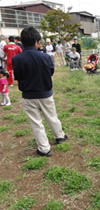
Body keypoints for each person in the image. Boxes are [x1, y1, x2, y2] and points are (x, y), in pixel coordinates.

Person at [12, 27, 68, 157]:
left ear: (22, 42)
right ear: (37, 42)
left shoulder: (17, 59)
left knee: (36, 123)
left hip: (28, 96)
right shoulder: (45, 57)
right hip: (45, 93)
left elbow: (18, 77)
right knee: (52, 116)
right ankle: (59, 136)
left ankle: (44, 149)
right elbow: (51, 72)